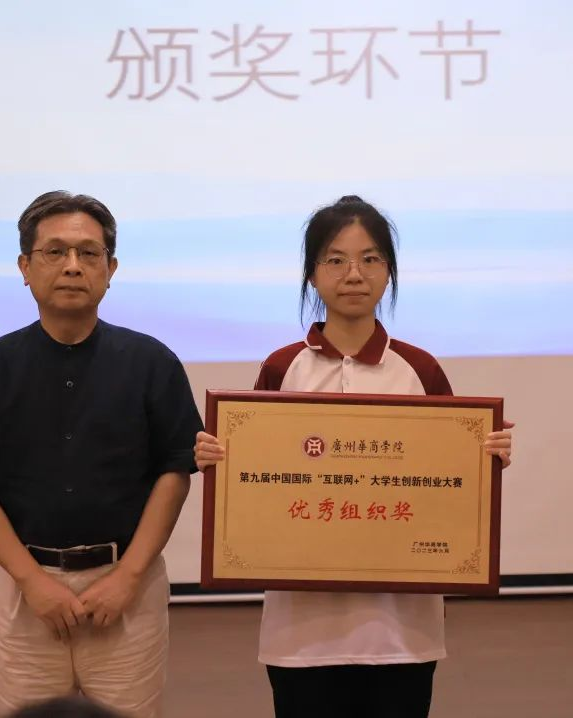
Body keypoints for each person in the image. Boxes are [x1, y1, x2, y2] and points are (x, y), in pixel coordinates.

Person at [194, 195, 514, 718]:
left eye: (370, 259)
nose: (354, 274)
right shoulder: (281, 368)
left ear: (389, 272)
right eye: (335, 259)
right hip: (299, 631)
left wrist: (487, 457)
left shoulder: (420, 370)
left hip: (402, 630)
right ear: (312, 273)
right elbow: (252, 481)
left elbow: (452, 480)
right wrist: (218, 459)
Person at [0, 191, 202, 717]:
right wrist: (32, 582)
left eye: (89, 253)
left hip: (128, 585)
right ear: (25, 267)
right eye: (55, 252)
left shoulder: (152, 362)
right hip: (25, 589)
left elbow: (175, 473)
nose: (73, 266)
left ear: (111, 268)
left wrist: (128, 577)